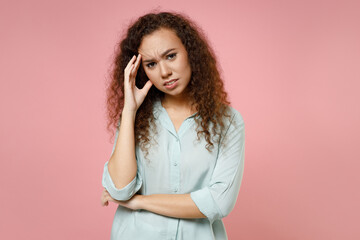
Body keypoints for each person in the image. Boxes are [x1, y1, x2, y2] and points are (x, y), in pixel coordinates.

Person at [100, 11, 245, 240]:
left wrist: (140, 202)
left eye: (170, 56)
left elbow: (219, 202)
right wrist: (129, 111)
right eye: (151, 64)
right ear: (140, 70)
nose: (164, 72)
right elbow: (120, 189)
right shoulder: (135, 118)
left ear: (190, 53)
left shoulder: (228, 122)